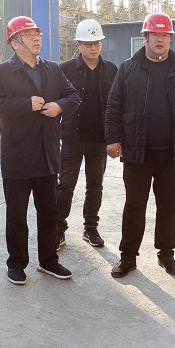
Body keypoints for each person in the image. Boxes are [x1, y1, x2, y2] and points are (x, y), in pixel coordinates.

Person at [0, 15, 80, 286]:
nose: (36, 38)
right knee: (17, 215)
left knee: (49, 212)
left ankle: (48, 260)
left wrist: (59, 106)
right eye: (29, 34)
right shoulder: (2, 72)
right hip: (18, 155)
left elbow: (73, 96)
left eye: (37, 34)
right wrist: (26, 104)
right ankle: (16, 264)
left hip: (47, 153)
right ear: (14, 43)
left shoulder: (52, 70)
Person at [105, 12, 175, 278]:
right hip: (137, 151)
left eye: (165, 35)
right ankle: (128, 257)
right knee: (134, 206)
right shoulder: (128, 68)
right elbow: (114, 105)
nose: (160, 39)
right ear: (145, 37)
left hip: (172, 152)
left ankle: (166, 254)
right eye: (155, 34)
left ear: (170, 38)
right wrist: (113, 139)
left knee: (169, 206)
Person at [57, 19, 117, 250]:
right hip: (71, 138)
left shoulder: (111, 70)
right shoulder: (65, 70)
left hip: (99, 140)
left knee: (95, 186)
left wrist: (115, 138)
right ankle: (58, 230)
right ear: (78, 45)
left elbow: (117, 105)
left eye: (97, 43)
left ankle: (90, 228)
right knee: (65, 185)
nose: (94, 48)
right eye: (89, 44)